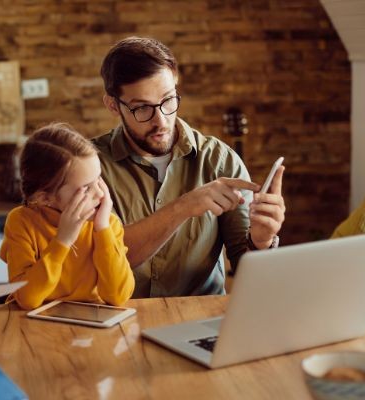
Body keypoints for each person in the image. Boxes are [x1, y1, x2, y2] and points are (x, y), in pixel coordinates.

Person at [93, 37, 286, 297]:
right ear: (113, 105)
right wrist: (183, 207)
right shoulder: (90, 167)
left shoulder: (220, 160)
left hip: (199, 319)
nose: (161, 120)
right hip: (121, 320)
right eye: (142, 108)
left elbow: (249, 272)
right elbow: (103, 260)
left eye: (168, 100)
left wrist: (261, 242)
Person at [0, 123, 134, 310]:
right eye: (86, 188)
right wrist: (63, 240)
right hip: (32, 325)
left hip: (91, 327)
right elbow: (27, 299)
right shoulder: (21, 222)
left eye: (99, 180)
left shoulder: (107, 223)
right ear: (45, 198)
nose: (101, 194)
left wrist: (102, 229)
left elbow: (119, 296)